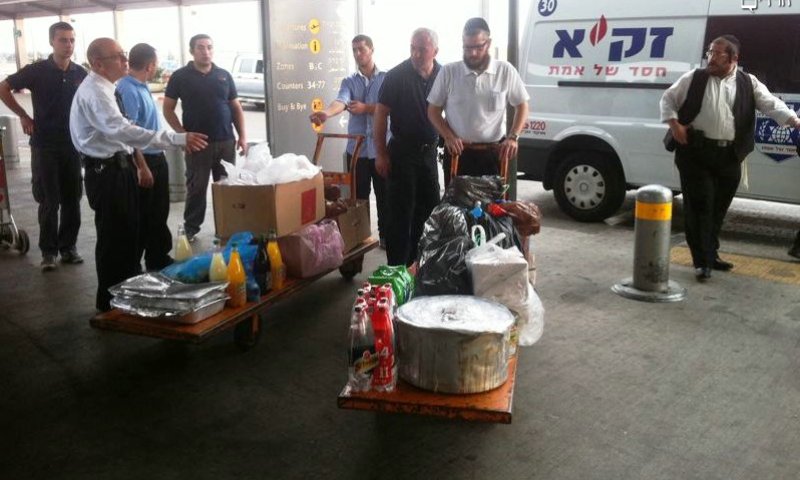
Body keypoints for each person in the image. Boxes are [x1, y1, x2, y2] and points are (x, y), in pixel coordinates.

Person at [70, 38, 208, 312]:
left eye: (124, 55)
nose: (124, 61)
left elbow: (127, 130)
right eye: (118, 57)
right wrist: (176, 139)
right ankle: (111, 301)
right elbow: (123, 130)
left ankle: (126, 292)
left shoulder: (108, 88)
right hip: (106, 171)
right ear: (98, 63)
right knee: (115, 238)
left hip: (119, 167)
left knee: (129, 234)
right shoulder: (96, 92)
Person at [660, 34, 800, 282]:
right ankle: (702, 262)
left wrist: (795, 121)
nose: (711, 58)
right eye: (709, 52)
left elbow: (770, 104)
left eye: (717, 53)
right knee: (701, 206)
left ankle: (711, 254)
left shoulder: (749, 83)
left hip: (729, 156)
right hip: (696, 153)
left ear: (733, 58)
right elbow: (668, 99)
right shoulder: (694, 78)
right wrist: (674, 125)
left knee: (717, 208)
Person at [0, 22, 87, 272]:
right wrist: (23, 116)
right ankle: (48, 252)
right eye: (63, 40)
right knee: (49, 201)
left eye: (71, 40)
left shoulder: (79, 73)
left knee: (72, 198)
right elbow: (3, 87)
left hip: (72, 145)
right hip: (45, 146)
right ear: (52, 42)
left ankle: (68, 248)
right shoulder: (37, 70)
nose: (68, 45)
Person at [163, 34, 248, 242]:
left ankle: (227, 228)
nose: (206, 51)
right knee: (196, 187)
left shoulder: (224, 75)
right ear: (192, 51)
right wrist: (183, 136)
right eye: (201, 47)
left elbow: (235, 107)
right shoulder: (180, 76)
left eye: (209, 47)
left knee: (225, 188)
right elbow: (168, 109)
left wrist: (242, 136)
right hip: (197, 143)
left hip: (226, 141)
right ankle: (191, 228)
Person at [427, 17, 529, 185]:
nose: (472, 53)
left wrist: (513, 137)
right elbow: (433, 110)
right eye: (467, 47)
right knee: (457, 209)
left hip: (494, 153)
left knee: (493, 208)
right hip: (458, 154)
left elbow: (522, 105)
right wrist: (448, 136)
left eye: (478, 47)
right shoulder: (449, 72)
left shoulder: (505, 71)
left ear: (488, 43)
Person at [309, 34, 388, 248]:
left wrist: (366, 108)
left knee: (385, 196)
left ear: (371, 49)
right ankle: (360, 236)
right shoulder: (349, 81)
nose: (357, 54)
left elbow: (390, 107)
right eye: (354, 50)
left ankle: (387, 237)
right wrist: (326, 113)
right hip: (357, 151)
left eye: (361, 49)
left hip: (381, 149)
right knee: (357, 199)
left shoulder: (386, 78)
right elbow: (340, 101)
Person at [374, 28, 441, 266]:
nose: (416, 54)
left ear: (435, 50)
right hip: (401, 153)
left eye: (422, 49)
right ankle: (397, 269)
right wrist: (381, 154)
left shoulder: (443, 75)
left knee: (430, 210)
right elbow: (381, 115)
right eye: (413, 48)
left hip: (429, 154)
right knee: (401, 213)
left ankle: (421, 265)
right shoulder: (396, 76)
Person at [116, 43, 174, 271]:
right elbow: (129, 132)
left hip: (156, 156)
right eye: (156, 64)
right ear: (150, 66)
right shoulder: (127, 89)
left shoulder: (141, 86)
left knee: (159, 212)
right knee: (142, 214)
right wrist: (141, 166)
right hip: (144, 161)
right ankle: (133, 266)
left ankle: (158, 257)